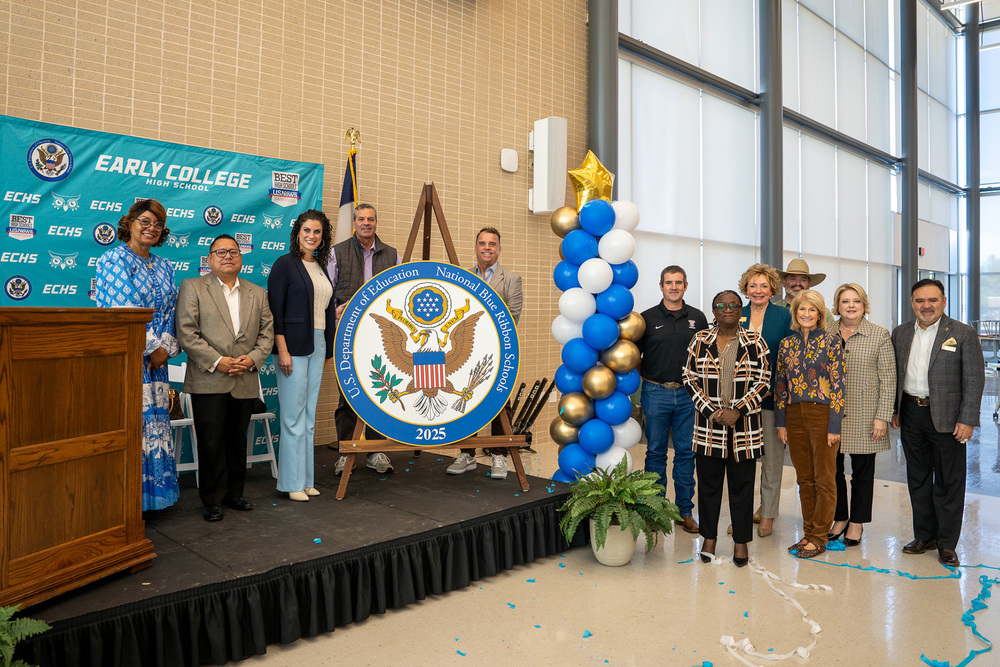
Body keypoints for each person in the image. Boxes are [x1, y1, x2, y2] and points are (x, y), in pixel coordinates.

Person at [177, 235, 274, 521]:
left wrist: (252, 359)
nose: (228, 256)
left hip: (244, 379)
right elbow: (187, 333)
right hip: (208, 379)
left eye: (233, 252)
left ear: (241, 258)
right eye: (220, 252)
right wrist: (218, 362)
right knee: (211, 442)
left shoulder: (258, 292)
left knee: (236, 441)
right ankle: (212, 499)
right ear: (209, 259)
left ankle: (235, 494)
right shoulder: (193, 287)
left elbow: (267, 334)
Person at [891, 279, 984, 567]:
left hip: (948, 418)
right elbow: (895, 373)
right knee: (917, 479)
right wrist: (895, 409)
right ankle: (924, 536)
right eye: (920, 300)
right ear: (912, 303)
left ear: (943, 302)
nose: (926, 306)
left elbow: (974, 379)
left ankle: (946, 543)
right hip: (911, 413)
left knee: (948, 481)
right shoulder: (901, 333)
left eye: (932, 300)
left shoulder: (963, 333)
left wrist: (967, 419)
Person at [96, 199, 180, 511]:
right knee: (132, 425)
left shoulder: (164, 265)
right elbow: (123, 308)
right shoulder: (113, 260)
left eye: (158, 224)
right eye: (145, 221)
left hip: (157, 363)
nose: (151, 228)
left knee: (156, 427)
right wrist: (152, 347)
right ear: (130, 223)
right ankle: (127, 503)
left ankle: (153, 500)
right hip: (128, 356)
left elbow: (170, 311)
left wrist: (165, 349)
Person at [683, 290, 771, 567]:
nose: (728, 309)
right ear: (714, 311)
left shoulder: (755, 341)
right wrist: (712, 411)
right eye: (721, 305)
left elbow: (764, 381)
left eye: (733, 305)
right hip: (709, 428)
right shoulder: (699, 340)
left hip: (744, 429)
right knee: (708, 487)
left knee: (742, 487)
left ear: (740, 310)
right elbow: (688, 378)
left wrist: (738, 410)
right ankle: (709, 538)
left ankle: (741, 541)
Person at [268, 210, 336, 502]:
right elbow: (275, 312)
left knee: (308, 418)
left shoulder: (321, 267)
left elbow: (322, 309)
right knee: (293, 417)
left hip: (317, 344)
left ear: (323, 237)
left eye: (317, 232)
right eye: (306, 230)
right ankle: (290, 482)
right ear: (298, 233)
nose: (312, 236)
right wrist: (281, 349)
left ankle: (306, 479)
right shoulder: (285, 264)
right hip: (292, 347)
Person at [328, 203, 401, 475]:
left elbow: (399, 295)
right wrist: (335, 308)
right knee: (347, 395)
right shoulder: (338, 252)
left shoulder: (392, 255)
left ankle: (376, 452)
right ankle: (346, 451)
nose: (366, 223)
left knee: (380, 394)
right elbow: (328, 290)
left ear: (376, 223)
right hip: (347, 336)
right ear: (354, 223)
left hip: (380, 337)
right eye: (361, 219)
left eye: (370, 219)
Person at [447, 226, 523, 480]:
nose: (487, 248)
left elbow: (512, 317)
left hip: (498, 353)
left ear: (499, 249)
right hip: (466, 353)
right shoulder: (463, 277)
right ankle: (467, 453)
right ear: (476, 247)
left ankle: (499, 455)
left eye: (492, 244)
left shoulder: (511, 279)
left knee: (500, 402)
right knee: (466, 400)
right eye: (482, 243)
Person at [637, 266, 708, 534]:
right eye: (669, 283)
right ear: (661, 286)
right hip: (655, 393)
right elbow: (634, 357)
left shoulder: (698, 318)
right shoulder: (646, 319)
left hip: (689, 395)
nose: (674, 287)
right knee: (655, 451)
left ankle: (684, 512)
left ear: (686, 286)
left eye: (679, 282)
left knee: (685, 454)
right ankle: (655, 510)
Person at [774, 290, 845, 559]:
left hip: (823, 414)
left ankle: (819, 537)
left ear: (820, 314)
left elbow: (838, 386)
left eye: (811, 310)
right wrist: (781, 422)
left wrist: (834, 425)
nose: (806, 314)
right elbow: (780, 384)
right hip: (793, 414)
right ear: (795, 313)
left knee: (824, 478)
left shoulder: (831, 341)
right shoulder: (786, 344)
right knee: (804, 479)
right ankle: (807, 534)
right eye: (801, 309)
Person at [826, 283, 895, 547]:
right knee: (832, 471)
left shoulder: (879, 335)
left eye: (856, 301)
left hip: (865, 415)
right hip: (831, 415)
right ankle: (840, 517)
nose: (851, 306)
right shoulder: (826, 333)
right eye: (845, 301)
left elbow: (888, 379)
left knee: (862, 473)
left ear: (864, 305)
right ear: (837, 306)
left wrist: (882, 416)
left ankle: (857, 522)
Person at [737, 263, 793, 538]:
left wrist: (773, 387)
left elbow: (789, 358)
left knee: (772, 460)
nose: (758, 290)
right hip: (739, 403)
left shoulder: (784, 316)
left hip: (772, 399)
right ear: (745, 289)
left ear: (772, 289)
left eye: (763, 285)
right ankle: (742, 512)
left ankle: (768, 513)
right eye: (752, 285)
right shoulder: (737, 314)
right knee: (742, 461)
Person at [773, 258, 834, 323]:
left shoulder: (824, 312)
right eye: (793, 279)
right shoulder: (773, 310)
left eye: (803, 280)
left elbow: (833, 333)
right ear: (784, 282)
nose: (798, 283)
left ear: (809, 284)